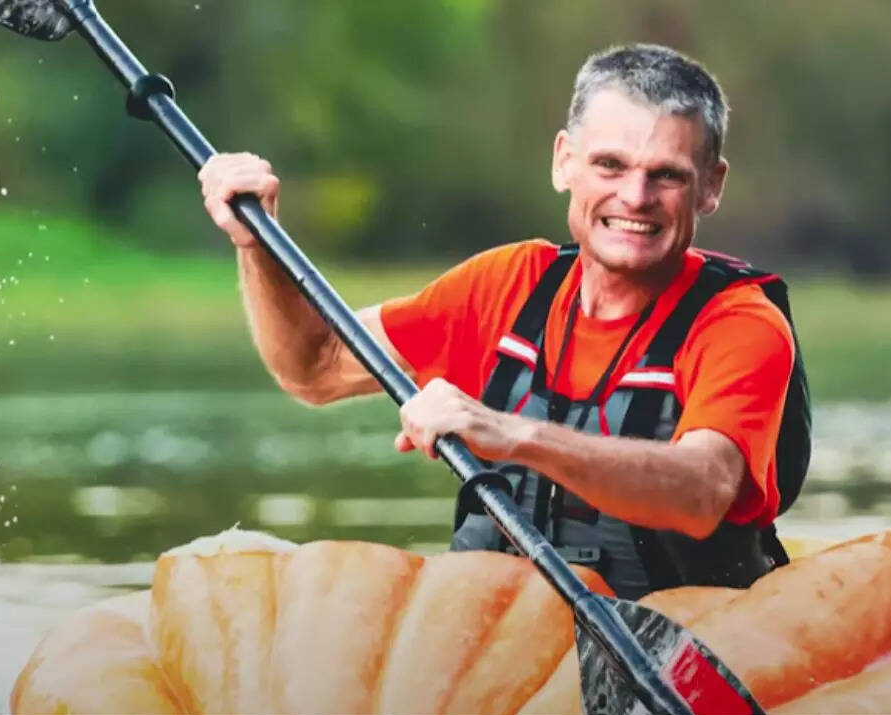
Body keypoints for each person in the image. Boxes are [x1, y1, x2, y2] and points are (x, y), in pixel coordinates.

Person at [198, 44, 797, 600]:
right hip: (499, 652)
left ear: (711, 187)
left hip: (677, 658)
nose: (635, 197)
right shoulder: (506, 287)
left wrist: (512, 435)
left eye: (666, 174)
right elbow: (315, 366)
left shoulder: (740, 323)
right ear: (564, 162)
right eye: (610, 165)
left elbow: (703, 490)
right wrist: (258, 247)